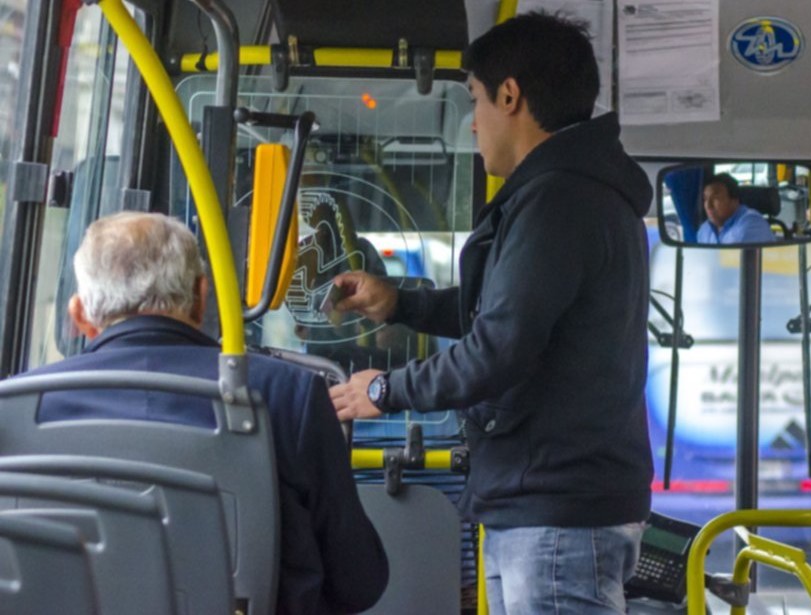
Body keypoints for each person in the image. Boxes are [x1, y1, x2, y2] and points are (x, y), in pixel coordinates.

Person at [329, 12, 653, 615]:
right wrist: (401, 303)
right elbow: (507, 312)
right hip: (545, 500)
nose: (474, 122)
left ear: (510, 96)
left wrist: (384, 389)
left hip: (556, 508)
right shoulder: (575, 192)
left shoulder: (558, 202)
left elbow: (498, 348)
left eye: (475, 99)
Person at [25, 212, 388, 615]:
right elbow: (358, 582)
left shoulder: (24, 405)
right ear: (201, 297)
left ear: (80, 315)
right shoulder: (289, 395)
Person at [696, 173, 777, 244]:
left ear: (734, 200)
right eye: (705, 199)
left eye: (715, 198)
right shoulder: (705, 229)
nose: (708, 206)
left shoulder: (753, 224)